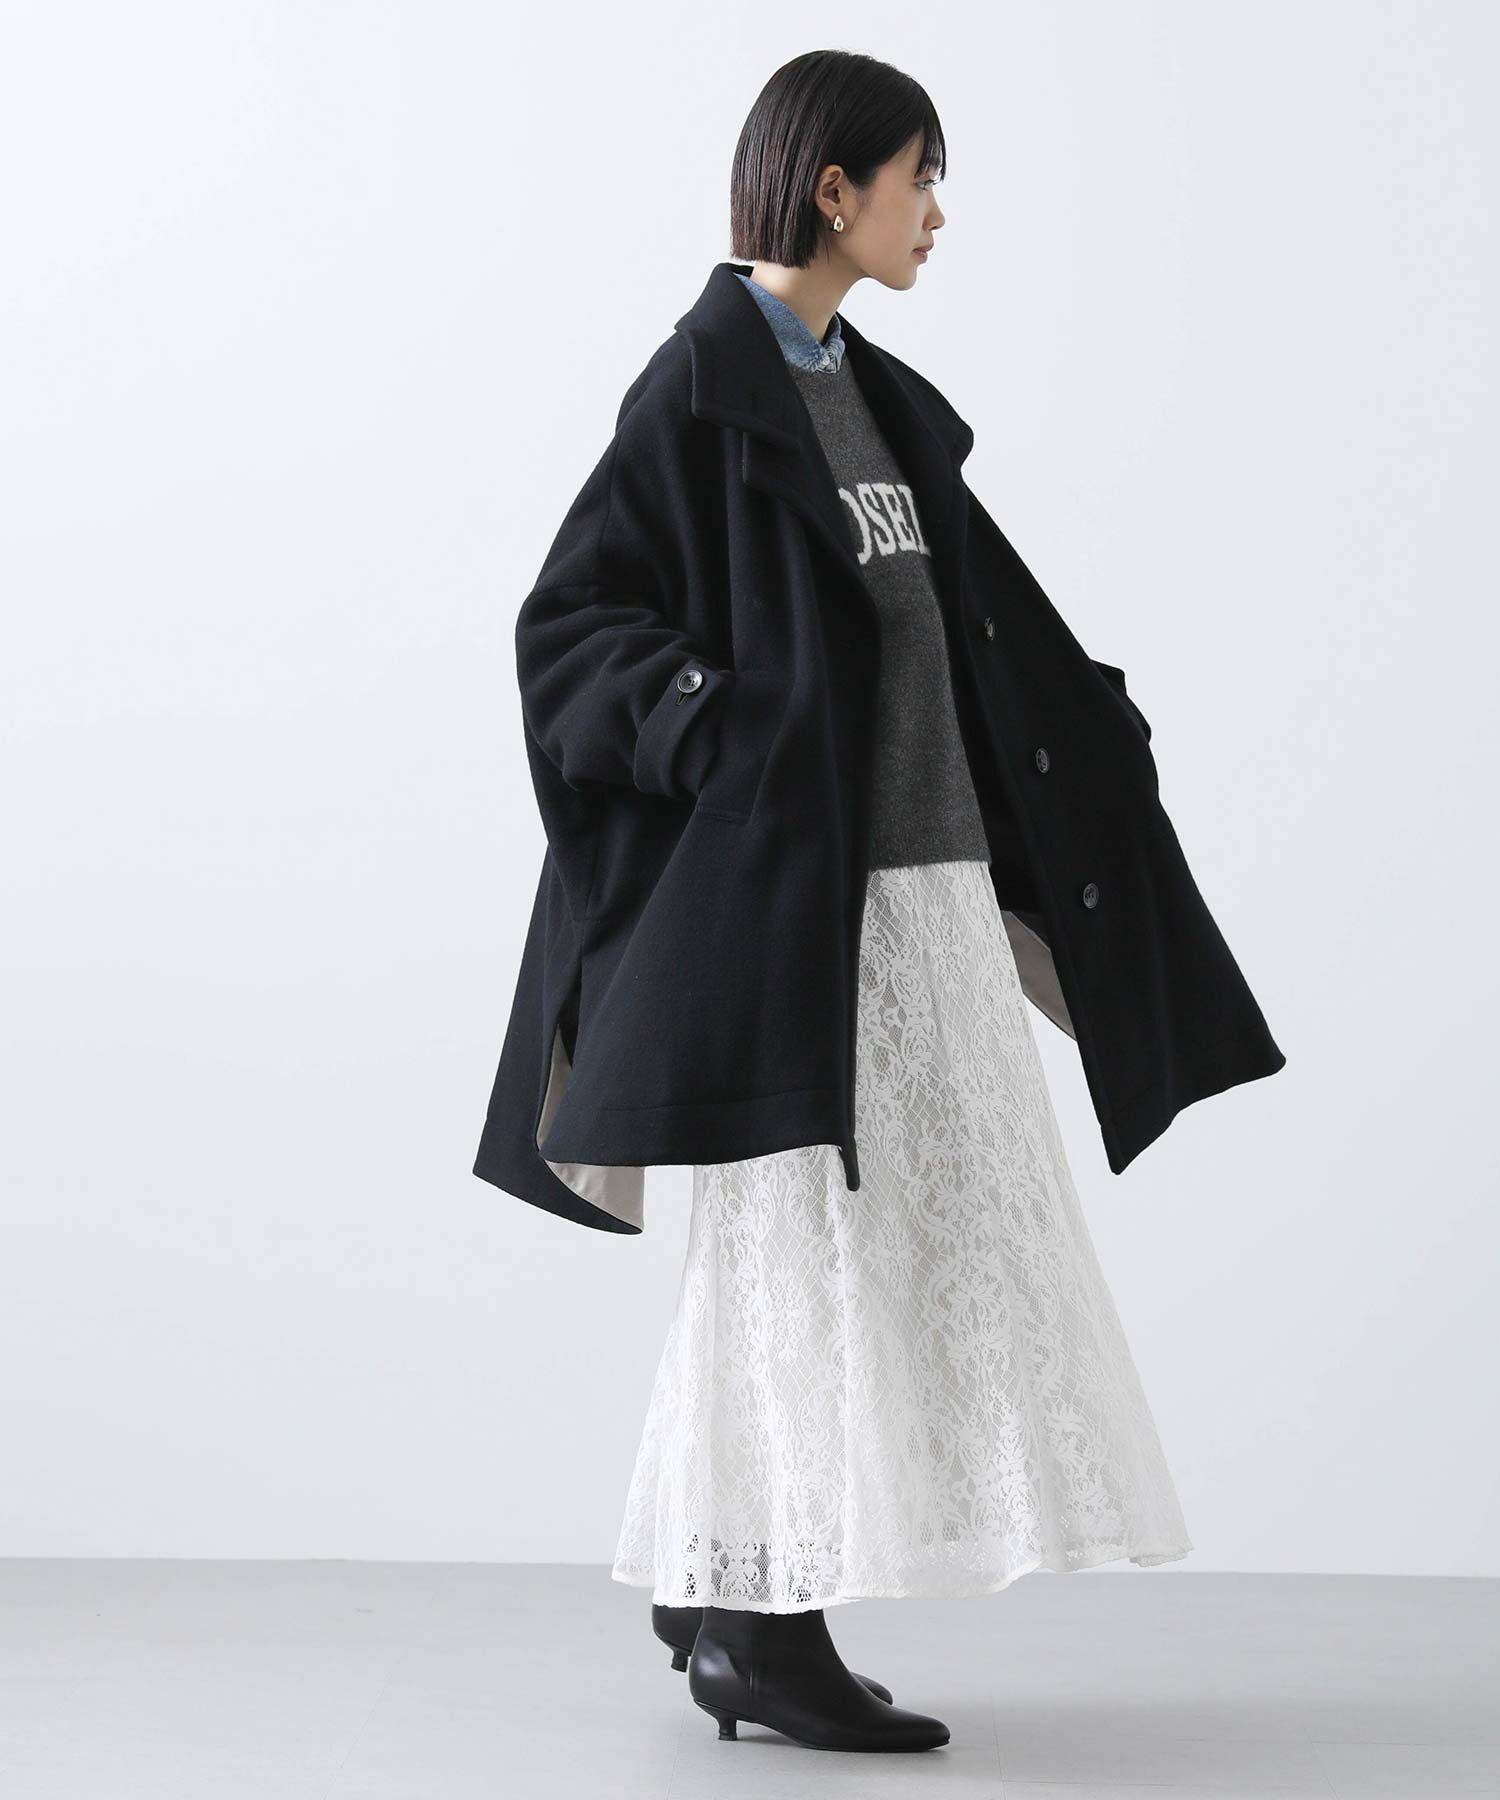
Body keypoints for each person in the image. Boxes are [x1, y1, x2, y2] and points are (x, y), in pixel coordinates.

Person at [475, 49, 1284, 1755]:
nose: (938, 214)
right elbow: (572, 631)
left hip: (926, 901)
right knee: (812, 1259)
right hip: (804, 916)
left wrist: (1089, 735)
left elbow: (963, 634)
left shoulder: (875, 397)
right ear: (832, 189)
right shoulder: (700, 391)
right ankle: (760, 1629)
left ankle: (717, 1574)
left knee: (891, 1249)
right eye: (922, 178)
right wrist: (726, 731)